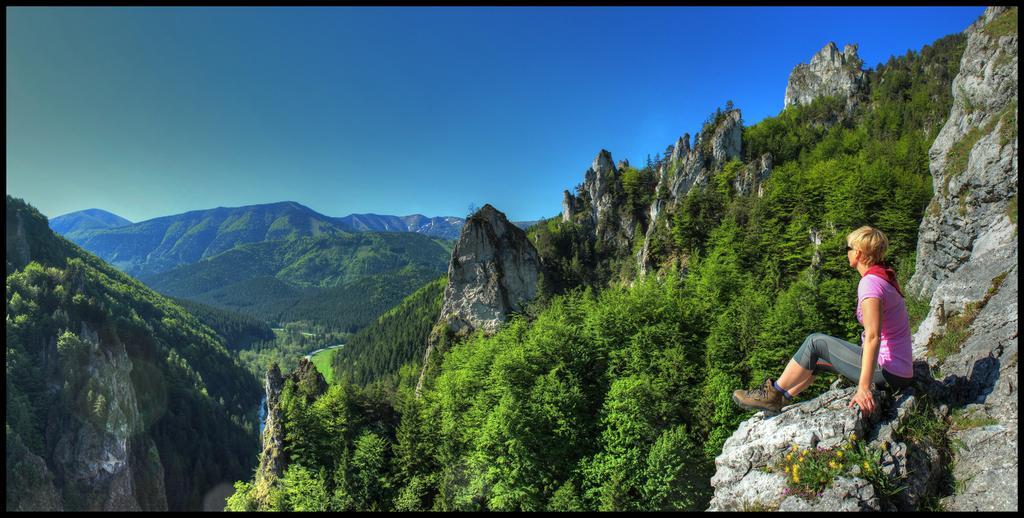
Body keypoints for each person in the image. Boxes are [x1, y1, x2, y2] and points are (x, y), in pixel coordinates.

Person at [733, 226, 914, 416]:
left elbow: (873, 337)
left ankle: (772, 394)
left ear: (858, 254)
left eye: (848, 249)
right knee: (816, 359)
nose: (846, 253)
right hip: (899, 370)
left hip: (888, 372)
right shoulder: (883, 277)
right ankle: (782, 399)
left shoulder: (870, 284)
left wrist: (863, 388)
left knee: (815, 342)